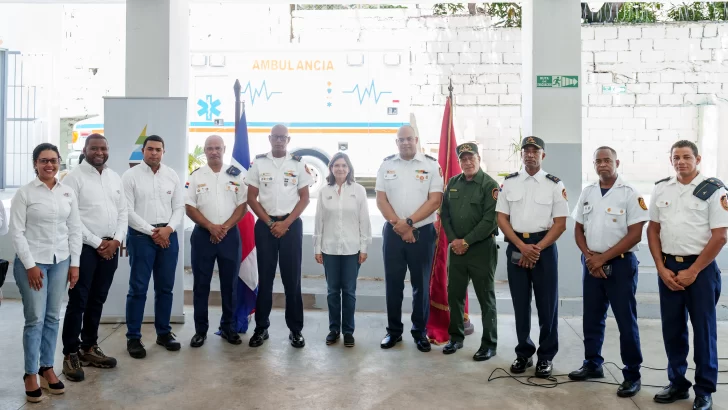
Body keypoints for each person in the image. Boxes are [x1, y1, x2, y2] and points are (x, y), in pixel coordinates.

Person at [647, 140, 727, 410]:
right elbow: (653, 229)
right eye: (676, 157)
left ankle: (704, 390)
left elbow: (720, 236)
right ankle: (678, 383)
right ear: (670, 160)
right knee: (673, 330)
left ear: (698, 159)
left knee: (703, 332)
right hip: (668, 267)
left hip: (701, 271)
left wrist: (693, 271)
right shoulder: (661, 188)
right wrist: (660, 267)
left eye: (686, 157)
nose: (681, 161)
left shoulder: (714, 190)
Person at [568, 146, 647, 398]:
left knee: (626, 321)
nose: (602, 164)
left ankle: (632, 375)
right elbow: (578, 229)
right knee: (591, 317)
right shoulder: (588, 192)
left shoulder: (630, 193)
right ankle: (593, 364)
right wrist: (591, 258)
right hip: (591, 263)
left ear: (617, 162)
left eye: (607, 160)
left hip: (621, 265)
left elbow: (636, 233)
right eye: (598, 161)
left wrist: (602, 258)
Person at [10, 143, 82, 402]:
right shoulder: (25, 193)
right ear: (35, 164)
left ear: (59, 161)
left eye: (53, 160)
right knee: (35, 319)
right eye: (43, 161)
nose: (49, 165)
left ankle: (47, 368)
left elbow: (74, 229)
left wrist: (75, 264)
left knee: (53, 317)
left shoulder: (67, 192)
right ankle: (30, 373)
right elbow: (16, 232)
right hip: (33, 263)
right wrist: (30, 266)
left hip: (61, 260)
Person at [496, 136, 569, 378]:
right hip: (517, 246)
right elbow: (502, 219)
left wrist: (535, 249)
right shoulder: (509, 183)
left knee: (547, 305)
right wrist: (521, 246)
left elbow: (560, 224)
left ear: (543, 156)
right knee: (520, 303)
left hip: (544, 250)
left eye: (534, 151)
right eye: (526, 151)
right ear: (522, 155)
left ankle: (546, 356)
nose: (530, 155)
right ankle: (524, 353)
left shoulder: (554, 185)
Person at [60, 134, 127, 382]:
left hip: (111, 246)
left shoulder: (113, 177)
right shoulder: (74, 178)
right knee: (78, 300)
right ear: (85, 150)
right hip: (86, 248)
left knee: (98, 299)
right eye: (94, 148)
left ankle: (89, 347)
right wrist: (99, 243)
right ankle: (70, 353)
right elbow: (73, 219)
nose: (99, 152)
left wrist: (117, 240)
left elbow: (123, 212)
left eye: (103, 148)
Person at [376, 125, 443, 352]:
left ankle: (419, 332)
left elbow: (435, 200)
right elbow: (381, 200)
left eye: (409, 139)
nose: (405, 143)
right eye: (401, 140)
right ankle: (393, 332)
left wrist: (410, 224)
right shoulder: (387, 165)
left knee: (421, 286)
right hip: (394, 233)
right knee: (393, 285)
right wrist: (400, 225)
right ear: (396, 143)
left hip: (422, 234)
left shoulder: (431, 165)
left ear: (416, 139)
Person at [245, 124, 312, 348]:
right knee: (265, 279)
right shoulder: (259, 163)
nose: (279, 140)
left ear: (288, 139)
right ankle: (261, 328)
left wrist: (285, 224)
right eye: (276, 137)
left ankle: (295, 330)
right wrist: (271, 222)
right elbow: (252, 198)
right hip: (266, 226)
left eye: (283, 137)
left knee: (292, 280)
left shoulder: (299, 164)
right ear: (269, 138)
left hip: (291, 226)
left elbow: (304, 198)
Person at [122, 135, 184, 358]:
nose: (154, 153)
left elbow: (178, 207)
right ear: (143, 151)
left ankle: (164, 333)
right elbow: (127, 212)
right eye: (150, 149)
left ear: (163, 152)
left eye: (158, 149)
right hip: (141, 237)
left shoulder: (172, 175)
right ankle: (133, 338)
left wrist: (168, 229)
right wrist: (153, 232)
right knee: (138, 289)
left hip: (168, 235)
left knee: (165, 288)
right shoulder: (130, 176)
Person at [185, 135, 247, 347]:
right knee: (201, 285)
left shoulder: (236, 175)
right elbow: (189, 207)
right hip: (203, 235)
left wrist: (224, 227)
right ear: (204, 150)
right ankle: (200, 330)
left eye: (217, 148)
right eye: (210, 148)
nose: (214, 152)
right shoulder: (195, 176)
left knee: (229, 285)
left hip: (229, 236)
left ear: (224, 149)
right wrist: (210, 226)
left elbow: (242, 206)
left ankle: (228, 327)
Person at [440, 142, 499, 361]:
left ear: (478, 158)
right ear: (459, 162)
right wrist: (455, 240)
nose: (467, 162)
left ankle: (489, 344)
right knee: (454, 295)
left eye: (470, 157)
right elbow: (444, 214)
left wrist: (466, 241)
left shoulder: (489, 185)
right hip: (456, 249)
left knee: (486, 298)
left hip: (481, 249)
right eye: (463, 159)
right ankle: (455, 338)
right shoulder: (453, 183)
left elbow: (490, 220)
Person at [313, 152, 372, 347]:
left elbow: (364, 220)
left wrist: (364, 248)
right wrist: (317, 248)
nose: (340, 169)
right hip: (329, 249)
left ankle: (348, 331)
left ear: (349, 169)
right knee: (332, 291)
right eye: (336, 165)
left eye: (344, 166)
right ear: (331, 168)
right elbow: (319, 221)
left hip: (352, 249)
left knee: (349, 292)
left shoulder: (359, 190)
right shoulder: (324, 191)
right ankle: (333, 329)